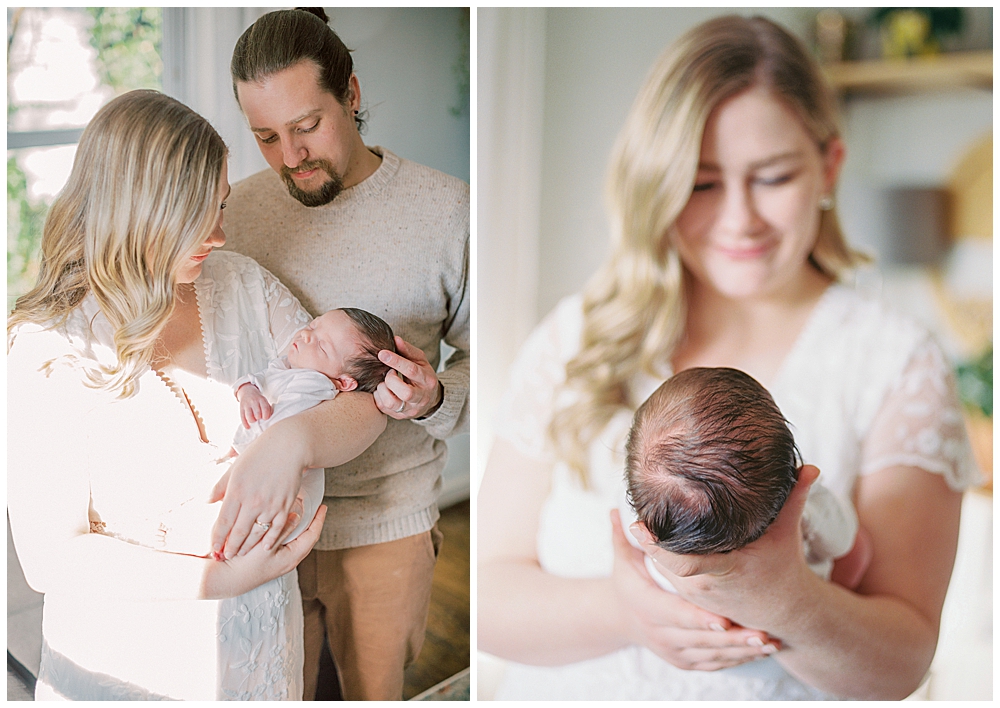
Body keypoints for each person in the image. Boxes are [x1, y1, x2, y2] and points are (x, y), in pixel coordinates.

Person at [478, 15, 979, 701]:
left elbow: (899, 663)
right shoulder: (579, 337)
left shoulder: (896, 364)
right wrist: (624, 611)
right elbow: (487, 597)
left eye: (772, 176)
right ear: (655, 184)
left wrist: (789, 600)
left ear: (828, 167)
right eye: (703, 183)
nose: (740, 218)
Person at [7, 89, 386, 701]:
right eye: (198, 214)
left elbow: (365, 397)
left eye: (222, 206)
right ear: (140, 210)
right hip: (135, 669)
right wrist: (220, 579)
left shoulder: (241, 284)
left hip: (265, 656)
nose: (219, 232)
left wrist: (291, 441)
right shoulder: (45, 348)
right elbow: (52, 560)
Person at [225, 8, 470, 700]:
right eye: (266, 136)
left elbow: (491, 359)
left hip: (385, 529)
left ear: (352, 96)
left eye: (307, 127)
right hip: (262, 533)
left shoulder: (448, 212)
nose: (290, 156)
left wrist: (437, 396)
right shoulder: (236, 215)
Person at [622, 366, 870, 592]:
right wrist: (817, 497)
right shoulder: (806, 512)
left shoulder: (646, 527)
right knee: (859, 547)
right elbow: (842, 541)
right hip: (792, 601)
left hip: (691, 611)